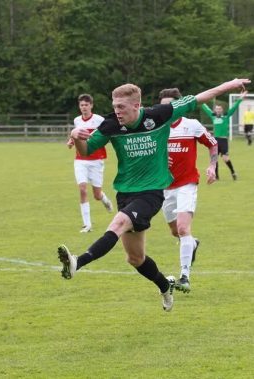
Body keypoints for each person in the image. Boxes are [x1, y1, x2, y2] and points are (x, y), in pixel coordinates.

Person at [57, 78, 250, 312]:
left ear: (137, 105)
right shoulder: (110, 124)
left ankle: (78, 261)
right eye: (114, 106)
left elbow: (200, 97)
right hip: (125, 193)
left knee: (118, 223)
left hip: (152, 192)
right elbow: (87, 150)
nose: (116, 111)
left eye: (121, 107)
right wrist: (76, 137)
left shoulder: (159, 115)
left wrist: (230, 84)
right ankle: (164, 285)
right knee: (135, 258)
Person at [159, 88, 218, 293]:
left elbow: (212, 144)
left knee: (183, 228)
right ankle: (192, 243)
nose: (167, 108)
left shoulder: (191, 125)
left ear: (179, 105)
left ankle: (185, 276)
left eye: (171, 104)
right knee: (175, 231)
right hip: (164, 187)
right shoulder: (157, 128)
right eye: (164, 105)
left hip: (187, 184)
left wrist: (212, 166)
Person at [67, 94, 113, 233]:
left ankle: (105, 200)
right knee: (82, 189)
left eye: (86, 105)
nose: (84, 107)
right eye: (81, 105)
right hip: (80, 160)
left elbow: (106, 133)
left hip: (96, 160)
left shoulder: (99, 120)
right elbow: (76, 135)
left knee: (97, 195)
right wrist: (71, 141)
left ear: (91, 105)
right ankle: (87, 225)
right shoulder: (77, 120)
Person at [201, 93, 245, 180]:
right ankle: (216, 177)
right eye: (217, 109)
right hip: (215, 140)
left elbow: (234, 107)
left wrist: (240, 98)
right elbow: (205, 107)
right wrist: (200, 100)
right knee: (215, 159)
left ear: (222, 110)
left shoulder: (226, 116)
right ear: (215, 110)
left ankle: (233, 172)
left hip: (223, 140)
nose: (218, 110)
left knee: (225, 158)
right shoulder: (213, 116)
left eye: (220, 109)